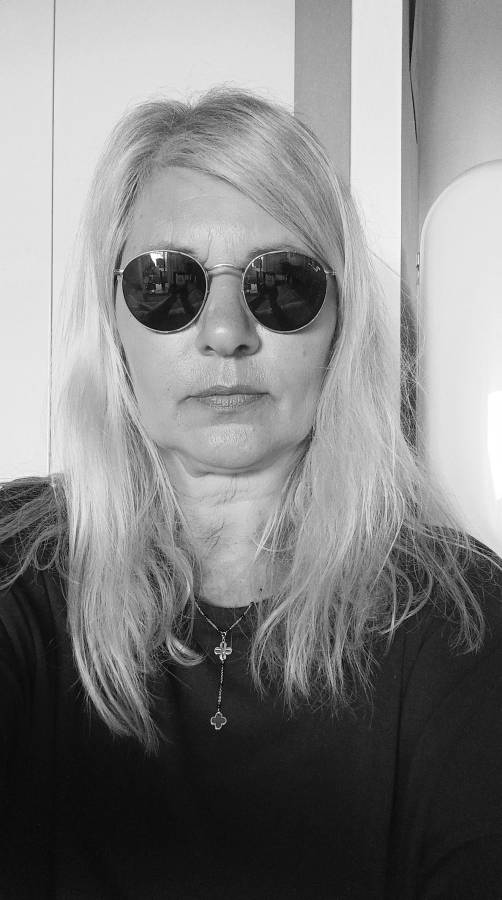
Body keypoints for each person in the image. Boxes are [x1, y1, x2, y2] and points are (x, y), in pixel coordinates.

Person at [1, 87, 501, 900]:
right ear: (114, 330)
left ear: (341, 327)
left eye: (282, 284)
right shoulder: (15, 564)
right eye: (166, 284)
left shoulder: (461, 617)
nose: (227, 332)